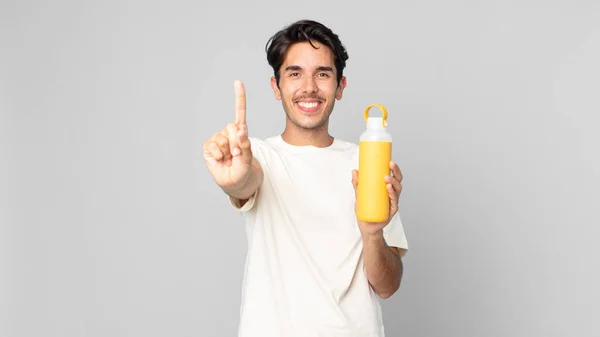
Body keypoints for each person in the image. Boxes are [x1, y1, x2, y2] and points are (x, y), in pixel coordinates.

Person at [203, 19, 408, 337]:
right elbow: (245, 182)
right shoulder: (258, 156)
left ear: (340, 87)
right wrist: (233, 178)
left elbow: (387, 286)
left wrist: (372, 233)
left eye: (323, 74)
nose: (309, 87)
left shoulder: (368, 160)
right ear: (276, 87)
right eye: (294, 73)